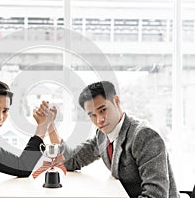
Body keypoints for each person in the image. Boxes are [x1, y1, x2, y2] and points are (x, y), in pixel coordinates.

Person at [36, 81, 179, 198]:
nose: (99, 120)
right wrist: (50, 124)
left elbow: (156, 196)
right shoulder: (103, 135)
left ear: (116, 101)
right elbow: (70, 161)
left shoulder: (144, 136)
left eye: (103, 110)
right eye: (92, 115)